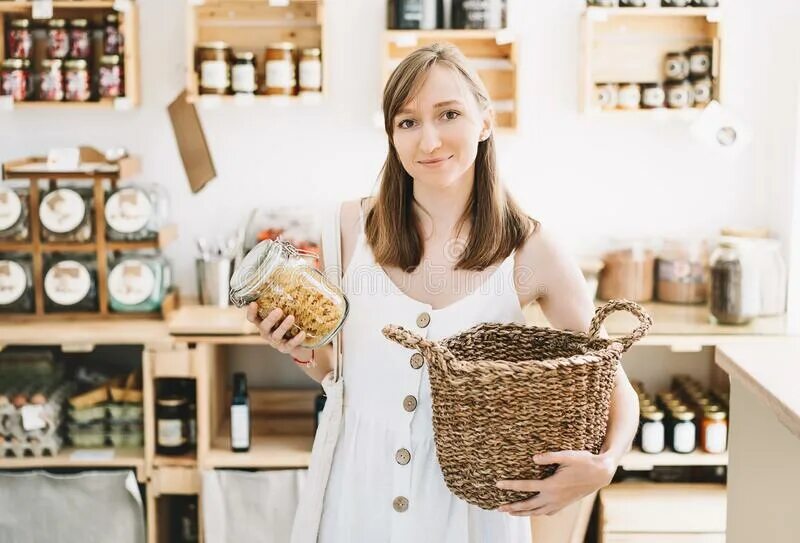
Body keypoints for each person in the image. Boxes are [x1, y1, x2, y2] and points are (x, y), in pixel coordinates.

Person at [246, 42, 639, 543]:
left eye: (448, 114)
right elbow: (341, 375)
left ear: (485, 122)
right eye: (407, 122)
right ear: (391, 136)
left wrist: (605, 465)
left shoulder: (530, 249)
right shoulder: (347, 228)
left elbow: (613, 384)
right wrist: (301, 349)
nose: (428, 140)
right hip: (355, 492)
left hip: (470, 509)